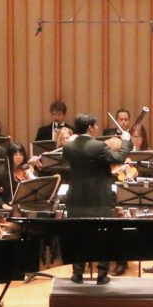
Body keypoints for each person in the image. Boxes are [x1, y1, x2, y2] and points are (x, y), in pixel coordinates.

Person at [60, 114, 128, 283]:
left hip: (76, 198)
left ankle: (77, 274)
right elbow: (118, 158)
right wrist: (126, 141)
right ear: (90, 127)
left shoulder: (68, 146)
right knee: (102, 236)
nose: (97, 128)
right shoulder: (98, 146)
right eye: (95, 126)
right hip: (98, 197)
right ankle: (101, 275)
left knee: (78, 236)